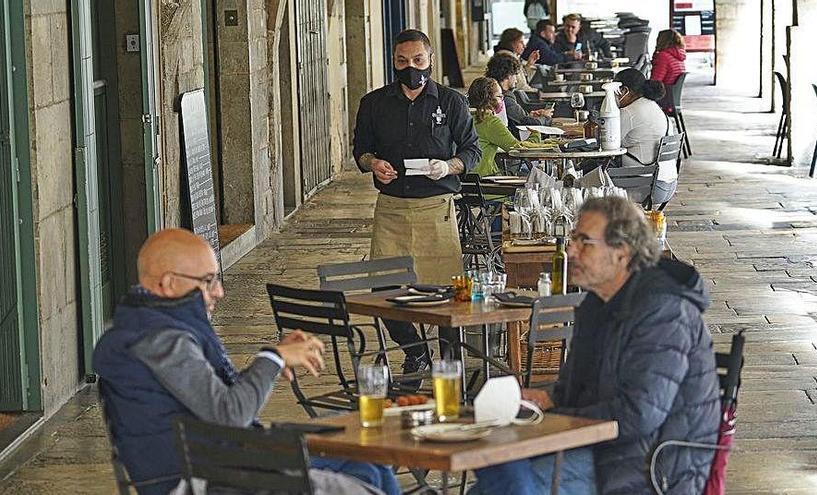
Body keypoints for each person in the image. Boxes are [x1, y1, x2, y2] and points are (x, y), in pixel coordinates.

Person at [94, 229, 400, 495]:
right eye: (208, 280)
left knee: (368, 462)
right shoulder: (159, 339)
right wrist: (273, 358)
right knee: (362, 480)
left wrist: (273, 363)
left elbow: (217, 403)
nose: (219, 292)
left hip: (225, 463)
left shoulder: (152, 328)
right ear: (169, 283)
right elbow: (229, 413)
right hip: (207, 481)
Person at [471, 196, 720, 495]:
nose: (570, 250)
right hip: (603, 441)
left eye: (584, 242)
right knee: (494, 463)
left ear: (621, 252)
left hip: (654, 461)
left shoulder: (663, 311)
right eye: (573, 238)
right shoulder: (596, 303)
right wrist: (544, 398)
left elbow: (639, 414)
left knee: (514, 483)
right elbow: (572, 391)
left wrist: (559, 424)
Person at [353, 29, 480, 379]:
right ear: (393, 62)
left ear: (430, 60)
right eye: (402, 61)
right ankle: (416, 353)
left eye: (418, 60)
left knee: (446, 292)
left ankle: (450, 364)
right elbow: (361, 151)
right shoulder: (374, 103)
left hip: (436, 209)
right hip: (391, 209)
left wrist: (449, 165)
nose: (411, 67)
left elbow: (472, 150)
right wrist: (373, 163)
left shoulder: (451, 102)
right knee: (384, 291)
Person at [613, 68, 678, 206]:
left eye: (614, 91)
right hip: (667, 184)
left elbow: (607, 144)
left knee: (589, 179)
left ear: (624, 91)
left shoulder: (628, 112)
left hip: (644, 186)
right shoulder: (654, 107)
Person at [467, 77, 544, 177]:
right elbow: (519, 149)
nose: (502, 100)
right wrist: (536, 133)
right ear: (489, 99)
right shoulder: (488, 121)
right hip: (484, 182)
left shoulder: (464, 117)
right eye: (499, 96)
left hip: (465, 181)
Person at [485, 53, 552, 130]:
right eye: (515, 75)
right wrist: (545, 118)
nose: (516, 80)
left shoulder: (493, 93)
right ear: (508, 75)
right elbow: (527, 123)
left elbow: (519, 118)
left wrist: (530, 115)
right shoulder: (505, 98)